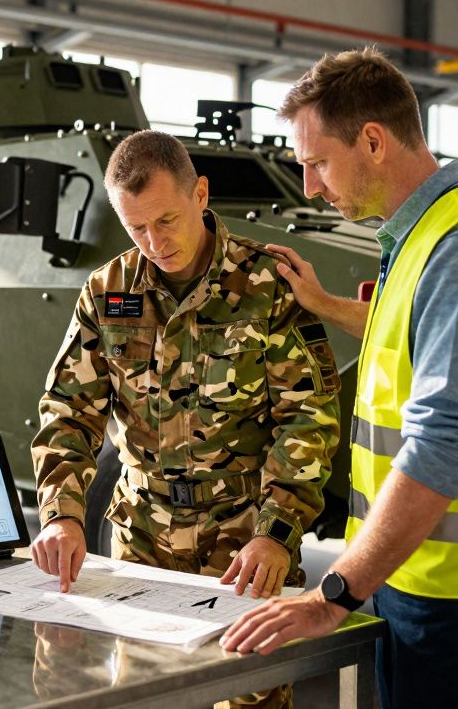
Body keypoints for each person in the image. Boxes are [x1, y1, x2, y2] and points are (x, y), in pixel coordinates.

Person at [220, 47, 458, 709]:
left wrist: (336, 591)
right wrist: (326, 305)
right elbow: (417, 338)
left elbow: (446, 440)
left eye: (318, 161)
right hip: (426, 575)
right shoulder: (421, 239)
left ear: (375, 141)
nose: (310, 186)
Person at [30, 130, 341, 707]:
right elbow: (69, 411)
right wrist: (62, 516)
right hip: (142, 532)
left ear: (200, 194)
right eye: (136, 228)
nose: (155, 242)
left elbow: (308, 418)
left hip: (245, 542)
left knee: (253, 696)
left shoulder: (265, 285)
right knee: (146, 692)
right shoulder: (107, 291)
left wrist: (277, 533)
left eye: (166, 220)